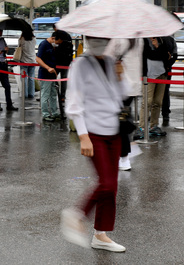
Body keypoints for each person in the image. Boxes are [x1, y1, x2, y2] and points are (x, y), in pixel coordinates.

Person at [61, 36, 128, 253]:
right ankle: (76, 214)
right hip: (93, 132)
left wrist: (121, 76)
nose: (100, 41)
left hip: (114, 130)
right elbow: (74, 101)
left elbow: (122, 96)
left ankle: (100, 234)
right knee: (106, 183)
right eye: (96, 37)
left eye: (105, 38)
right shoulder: (80, 63)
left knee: (112, 187)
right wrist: (83, 135)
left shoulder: (111, 61)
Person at [105, 39, 142, 171]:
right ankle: (124, 154)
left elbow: (106, 58)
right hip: (132, 85)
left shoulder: (118, 38)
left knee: (119, 121)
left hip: (119, 84)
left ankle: (124, 156)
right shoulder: (138, 38)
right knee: (122, 118)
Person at [136, 37, 172, 138]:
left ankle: (154, 125)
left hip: (162, 73)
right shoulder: (143, 40)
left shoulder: (162, 39)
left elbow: (167, 55)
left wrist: (157, 46)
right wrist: (160, 51)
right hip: (149, 75)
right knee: (147, 101)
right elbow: (149, 55)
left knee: (158, 102)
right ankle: (142, 127)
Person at [36, 32, 63, 122]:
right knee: (45, 94)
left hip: (52, 74)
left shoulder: (51, 46)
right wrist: (48, 68)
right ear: (53, 38)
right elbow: (38, 58)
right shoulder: (44, 45)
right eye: (58, 42)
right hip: (45, 74)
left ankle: (54, 112)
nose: (58, 44)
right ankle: (45, 114)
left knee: (53, 94)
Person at [0, 29, 18, 112]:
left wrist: (6, 50)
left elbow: (5, 51)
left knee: (7, 85)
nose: (1, 33)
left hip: (3, 63)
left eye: (1, 32)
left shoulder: (2, 40)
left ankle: (9, 104)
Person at [159, 35, 177, 127]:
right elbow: (175, 55)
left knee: (151, 92)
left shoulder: (153, 38)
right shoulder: (171, 39)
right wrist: (169, 65)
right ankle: (165, 113)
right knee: (166, 91)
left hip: (154, 69)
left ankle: (151, 113)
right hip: (167, 69)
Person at [54, 26, 74, 102]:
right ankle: (62, 96)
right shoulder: (68, 36)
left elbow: (55, 52)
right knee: (64, 79)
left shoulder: (58, 36)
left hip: (58, 63)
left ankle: (53, 93)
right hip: (66, 63)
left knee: (52, 77)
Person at [18, 29, 37, 99]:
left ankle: (24, 94)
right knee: (31, 78)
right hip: (33, 60)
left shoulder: (22, 39)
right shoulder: (34, 39)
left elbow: (19, 47)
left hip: (24, 61)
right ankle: (31, 93)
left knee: (24, 78)